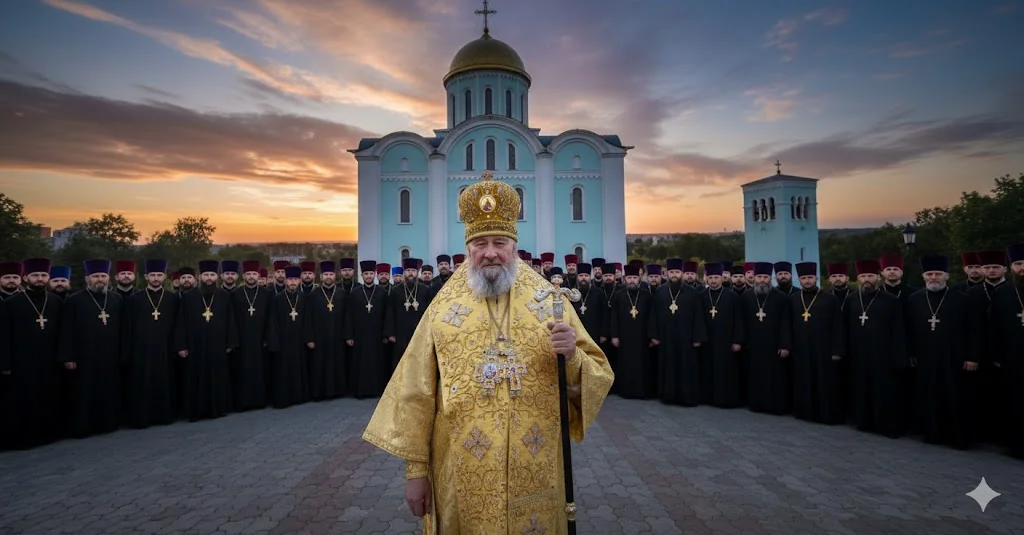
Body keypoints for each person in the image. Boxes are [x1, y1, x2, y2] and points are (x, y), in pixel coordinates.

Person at [362, 172, 613, 534]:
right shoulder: (443, 308)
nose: (490, 252)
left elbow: (597, 374)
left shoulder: (549, 301)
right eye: (480, 243)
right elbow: (415, 392)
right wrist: (416, 473)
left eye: (500, 242)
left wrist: (572, 355)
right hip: (459, 468)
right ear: (468, 248)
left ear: (514, 246)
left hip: (536, 464)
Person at [908, 255, 975, 449]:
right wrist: (911, 354)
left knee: (954, 396)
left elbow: (973, 330)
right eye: (929, 274)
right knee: (929, 395)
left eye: (938, 274)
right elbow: (909, 330)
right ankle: (931, 433)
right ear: (923, 276)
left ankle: (956, 436)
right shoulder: (914, 299)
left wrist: (972, 356)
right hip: (925, 357)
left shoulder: (962, 299)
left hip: (954, 357)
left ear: (946, 276)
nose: (933, 277)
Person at [841, 259, 908, 438]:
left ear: (878, 277)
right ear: (858, 278)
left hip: (883, 355)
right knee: (861, 388)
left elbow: (898, 330)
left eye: (870, 276)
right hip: (858, 354)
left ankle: (885, 425)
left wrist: (899, 356)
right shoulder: (852, 300)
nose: (867, 280)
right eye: (863, 276)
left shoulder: (891, 301)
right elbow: (844, 328)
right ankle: (863, 421)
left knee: (884, 390)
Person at [59, 259, 127, 437]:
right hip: (85, 356)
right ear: (87, 279)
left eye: (103, 276)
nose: (100, 280)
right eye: (95, 276)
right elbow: (67, 331)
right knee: (84, 391)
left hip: (110, 354)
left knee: (109, 389)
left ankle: (108, 423)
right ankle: (84, 426)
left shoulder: (116, 299)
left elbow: (124, 330)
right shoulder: (74, 301)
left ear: (108, 278)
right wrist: (68, 356)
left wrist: (123, 354)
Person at [0, 257, 62, 449]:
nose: (40, 279)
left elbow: (63, 332)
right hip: (22, 361)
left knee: (48, 397)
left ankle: (48, 435)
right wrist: (5, 363)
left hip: (50, 360)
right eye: (35, 275)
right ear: (26, 277)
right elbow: (4, 336)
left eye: (43, 275)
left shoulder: (56, 302)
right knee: (24, 401)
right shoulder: (10, 303)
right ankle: (24, 439)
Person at [174, 259, 236, 421]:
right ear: (200, 277)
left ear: (217, 277)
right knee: (195, 377)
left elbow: (230, 320)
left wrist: (230, 342)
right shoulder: (189, 297)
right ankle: (197, 410)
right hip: (195, 345)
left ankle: (218, 408)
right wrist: (181, 345)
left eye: (212, 275)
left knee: (217, 375)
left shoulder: (224, 296)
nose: (209, 278)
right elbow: (181, 322)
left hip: (218, 344)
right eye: (206, 275)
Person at [123, 259, 179, 428]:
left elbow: (178, 325)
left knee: (165, 382)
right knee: (143, 383)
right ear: (146, 277)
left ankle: (164, 415)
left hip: (165, 349)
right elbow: (128, 327)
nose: (156, 278)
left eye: (159, 275)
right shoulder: (134, 299)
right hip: (142, 350)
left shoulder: (172, 299)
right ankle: (142, 417)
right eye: (152, 275)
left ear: (164, 277)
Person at [788, 262, 844, 424]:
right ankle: (804, 412)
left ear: (816, 278)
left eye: (810, 278)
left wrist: (837, 350)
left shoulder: (830, 299)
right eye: (804, 278)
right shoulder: (793, 299)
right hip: (801, 348)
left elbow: (837, 326)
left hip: (823, 348)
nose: (807, 281)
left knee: (823, 381)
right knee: (803, 380)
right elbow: (788, 324)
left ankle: (824, 414)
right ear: (799, 280)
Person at [648, 258, 707, 406]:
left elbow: (698, 315)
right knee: (667, 366)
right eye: (671, 272)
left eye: (677, 272)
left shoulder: (692, 292)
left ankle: (685, 396)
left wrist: (697, 337)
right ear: (667, 273)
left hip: (686, 338)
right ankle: (668, 395)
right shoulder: (661, 291)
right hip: (666, 337)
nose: (674, 275)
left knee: (685, 366)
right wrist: (654, 335)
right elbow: (653, 315)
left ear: (681, 273)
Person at [988, 243, 1024, 458]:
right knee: (1014, 401)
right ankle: (1015, 445)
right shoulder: (1003, 293)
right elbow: (994, 326)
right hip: (1012, 358)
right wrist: (996, 355)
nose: (1022, 268)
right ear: (1011, 267)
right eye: (1018, 263)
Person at [741, 262, 792, 414]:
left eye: (765, 277)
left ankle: (775, 406)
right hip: (754, 344)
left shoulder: (781, 297)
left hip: (774, 345)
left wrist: (785, 345)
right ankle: (756, 404)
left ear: (770, 278)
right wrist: (742, 341)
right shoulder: (746, 296)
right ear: (754, 278)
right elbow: (742, 321)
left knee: (775, 376)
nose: (762, 280)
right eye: (759, 277)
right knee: (755, 375)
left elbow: (785, 323)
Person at [697, 262, 744, 408]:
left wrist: (737, 341)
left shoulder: (732, 296)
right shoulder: (701, 296)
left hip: (726, 340)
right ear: (706, 278)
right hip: (708, 340)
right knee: (708, 369)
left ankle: (725, 399)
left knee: (725, 371)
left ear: (722, 278)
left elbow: (739, 320)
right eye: (710, 278)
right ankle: (708, 398)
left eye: (716, 277)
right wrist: (700, 337)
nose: (713, 281)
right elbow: (697, 319)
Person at [266, 265, 312, 408]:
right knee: (283, 370)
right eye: (290, 279)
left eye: (295, 279)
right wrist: (274, 342)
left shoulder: (303, 298)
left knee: (299, 368)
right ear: (285, 280)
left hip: (298, 340)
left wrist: (308, 338)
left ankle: (299, 397)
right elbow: (272, 321)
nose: (292, 282)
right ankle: (284, 399)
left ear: (299, 281)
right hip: (283, 341)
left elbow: (308, 320)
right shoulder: (277, 298)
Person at [344, 260, 389, 398]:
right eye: (366, 274)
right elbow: (348, 315)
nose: (369, 276)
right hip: (360, 335)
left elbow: (387, 314)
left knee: (377, 362)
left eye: (371, 273)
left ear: (374, 274)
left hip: (377, 334)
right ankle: (361, 391)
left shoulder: (382, 292)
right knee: (360, 363)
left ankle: (377, 390)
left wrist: (386, 334)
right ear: (362, 275)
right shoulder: (355, 293)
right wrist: (349, 335)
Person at [229, 260, 270, 411]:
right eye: (248, 274)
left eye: (254, 274)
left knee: (260, 371)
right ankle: (243, 402)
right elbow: (231, 319)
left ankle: (260, 401)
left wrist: (268, 338)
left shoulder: (266, 294)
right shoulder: (235, 294)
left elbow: (271, 318)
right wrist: (234, 340)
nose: (251, 277)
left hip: (260, 340)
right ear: (243, 276)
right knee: (242, 371)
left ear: (258, 275)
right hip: (242, 340)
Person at [610, 263, 653, 398]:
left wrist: (651, 336)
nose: (632, 280)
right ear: (625, 279)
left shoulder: (647, 296)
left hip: (642, 336)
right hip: (624, 336)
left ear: (639, 279)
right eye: (629, 278)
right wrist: (614, 335)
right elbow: (614, 317)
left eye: (634, 278)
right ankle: (626, 391)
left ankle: (642, 391)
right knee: (626, 363)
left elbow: (652, 317)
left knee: (642, 364)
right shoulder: (618, 296)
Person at [384, 258, 434, 376]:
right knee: (400, 361)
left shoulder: (425, 290)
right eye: (408, 271)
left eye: (413, 270)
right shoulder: (395, 291)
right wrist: (390, 333)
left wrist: (429, 331)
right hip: (400, 333)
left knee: (419, 361)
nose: (410, 273)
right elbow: (390, 312)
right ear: (404, 272)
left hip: (419, 332)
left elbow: (430, 312)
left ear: (417, 272)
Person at [307, 259, 347, 400]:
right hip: (319, 337)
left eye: (331, 274)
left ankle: (338, 391)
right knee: (320, 364)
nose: (328, 277)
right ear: (321, 276)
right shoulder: (313, 295)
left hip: (337, 336)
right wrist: (310, 338)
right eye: (326, 274)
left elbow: (347, 316)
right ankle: (320, 392)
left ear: (335, 276)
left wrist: (347, 335)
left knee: (337, 363)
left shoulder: (342, 294)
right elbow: (308, 318)